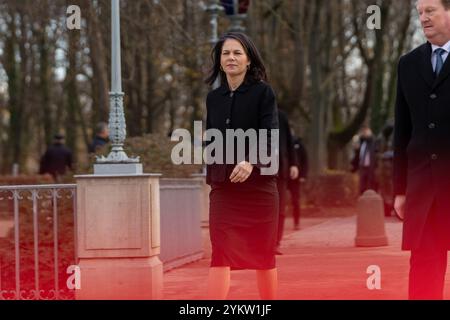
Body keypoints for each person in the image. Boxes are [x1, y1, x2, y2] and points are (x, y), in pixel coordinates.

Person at [204, 32, 279, 300]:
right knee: (220, 253)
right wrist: (211, 178)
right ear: (220, 61)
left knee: (264, 255)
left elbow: (270, 133)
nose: (231, 58)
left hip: (259, 190)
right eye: (226, 53)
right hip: (225, 191)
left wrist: (251, 161)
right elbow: (210, 141)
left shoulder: (263, 92)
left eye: (237, 53)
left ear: (248, 60)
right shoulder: (214, 98)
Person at [394, 0, 450, 300]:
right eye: (420, 13)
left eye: (430, 11)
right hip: (423, 187)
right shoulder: (408, 63)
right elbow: (402, 130)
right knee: (425, 267)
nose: (424, 18)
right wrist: (400, 189)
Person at [276, 109, 299, 253]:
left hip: (280, 169)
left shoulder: (281, 116)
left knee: (280, 208)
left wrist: (294, 164)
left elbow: (290, 142)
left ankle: (275, 242)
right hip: (258, 170)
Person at [288, 136, 308, 230]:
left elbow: (305, 160)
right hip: (282, 176)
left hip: (295, 177)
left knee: (295, 200)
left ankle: (296, 222)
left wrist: (303, 175)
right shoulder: (280, 142)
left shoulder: (299, 144)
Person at [351, 125, 378, 194]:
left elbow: (376, 148)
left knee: (371, 184)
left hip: (371, 166)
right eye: (363, 131)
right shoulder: (362, 142)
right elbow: (357, 154)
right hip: (362, 166)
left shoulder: (372, 142)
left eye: (366, 131)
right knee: (362, 184)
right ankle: (362, 197)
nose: (364, 133)